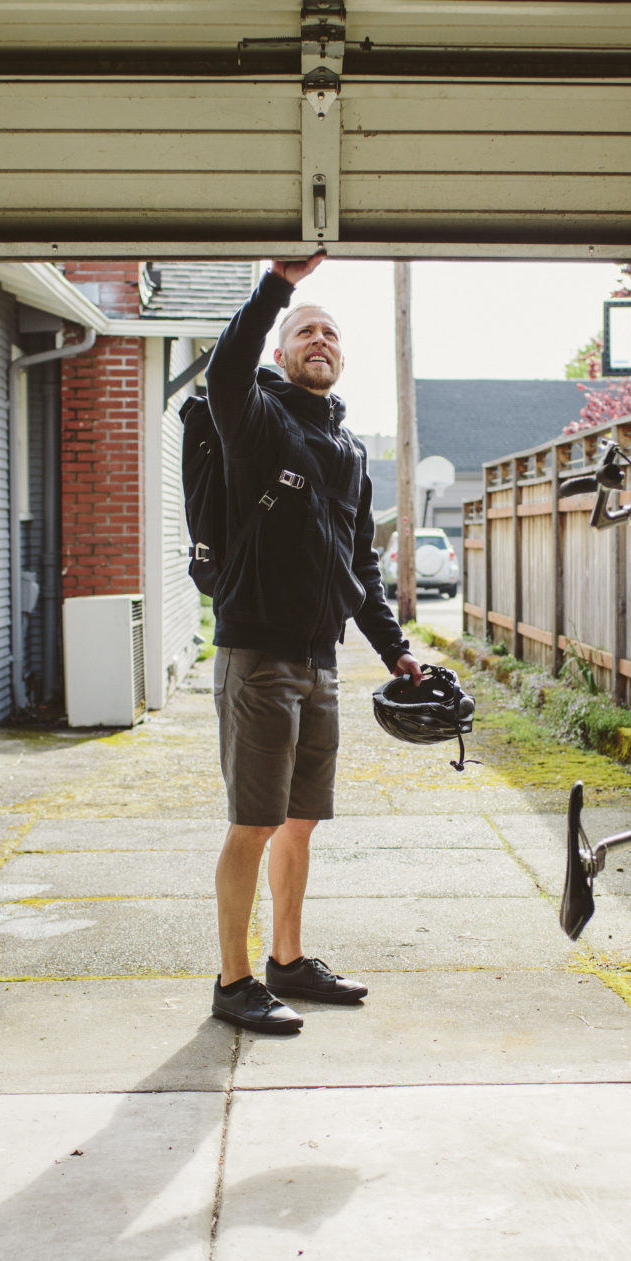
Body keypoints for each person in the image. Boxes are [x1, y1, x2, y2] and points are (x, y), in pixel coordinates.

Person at [202, 251, 424, 1033]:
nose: (319, 339)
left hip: (319, 657)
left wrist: (395, 649)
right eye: (305, 332)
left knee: (299, 822)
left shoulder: (349, 449)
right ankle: (233, 983)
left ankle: (287, 962)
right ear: (282, 352)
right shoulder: (257, 418)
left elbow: (358, 561)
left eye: (330, 332)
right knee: (254, 822)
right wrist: (279, 287)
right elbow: (224, 370)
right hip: (257, 653)